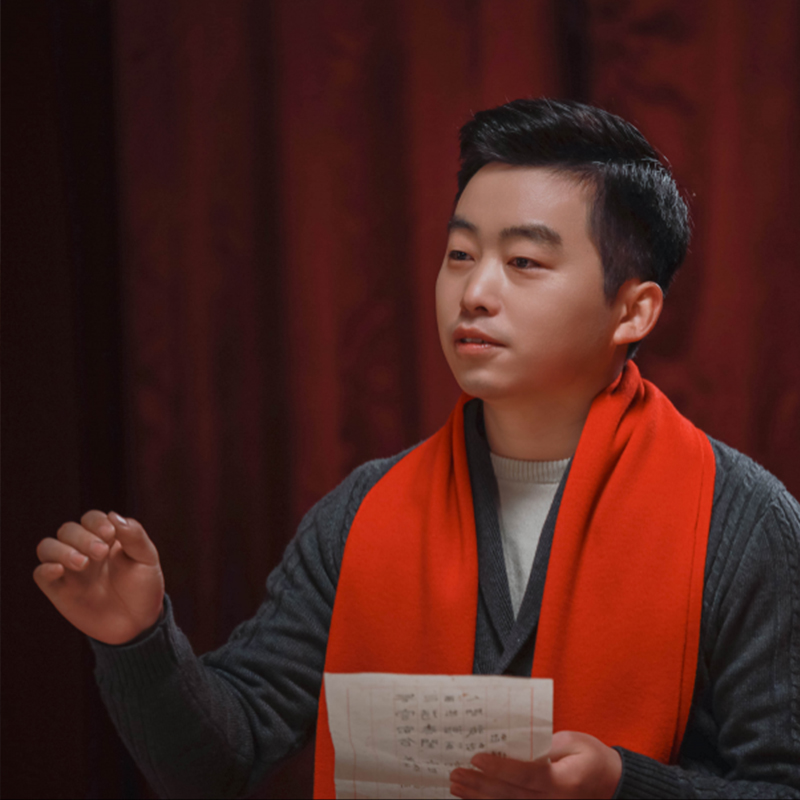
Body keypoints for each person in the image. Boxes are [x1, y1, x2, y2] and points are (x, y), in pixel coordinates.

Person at [34, 99, 800, 800]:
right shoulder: (364, 513)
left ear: (633, 310)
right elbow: (220, 761)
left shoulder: (740, 521)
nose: (474, 292)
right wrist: (137, 639)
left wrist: (621, 787)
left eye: (524, 262)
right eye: (461, 254)